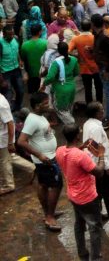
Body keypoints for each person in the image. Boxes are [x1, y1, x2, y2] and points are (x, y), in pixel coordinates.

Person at [56, 122, 107, 261]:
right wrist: (101, 155)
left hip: (73, 196)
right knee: (95, 227)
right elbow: (99, 172)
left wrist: (82, 147)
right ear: (78, 136)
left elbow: (70, 154)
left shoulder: (60, 150)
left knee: (79, 224)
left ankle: (82, 253)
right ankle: (95, 257)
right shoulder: (80, 156)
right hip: (87, 197)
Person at [18, 91, 62, 231]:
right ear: (37, 106)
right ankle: (49, 217)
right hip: (45, 160)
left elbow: (50, 126)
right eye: (45, 103)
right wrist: (40, 155)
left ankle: (49, 212)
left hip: (48, 158)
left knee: (43, 184)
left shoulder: (40, 116)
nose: (47, 105)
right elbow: (21, 141)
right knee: (56, 185)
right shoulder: (32, 120)